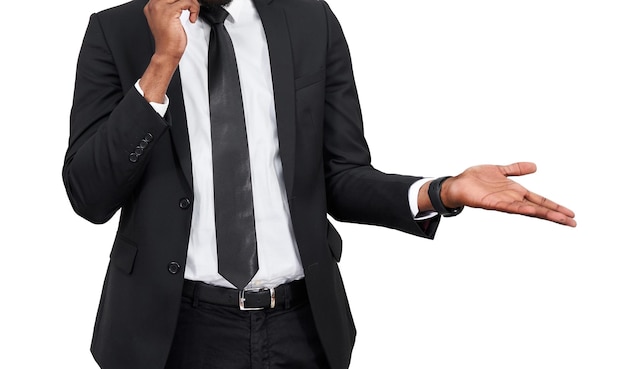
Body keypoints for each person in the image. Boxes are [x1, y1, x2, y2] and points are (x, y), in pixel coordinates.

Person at [62, 0, 576, 368]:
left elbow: (342, 174)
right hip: (171, 330)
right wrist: (160, 66)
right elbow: (89, 195)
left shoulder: (310, 19)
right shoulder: (116, 32)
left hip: (302, 328)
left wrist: (440, 190)